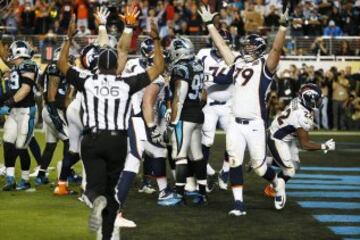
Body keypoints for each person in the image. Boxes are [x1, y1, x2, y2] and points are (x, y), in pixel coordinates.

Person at [57, 9, 164, 240]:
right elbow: (158, 69)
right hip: (117, 140)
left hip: (92, 138)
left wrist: (68, 38)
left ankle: (96, 202)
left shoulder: (87, 79)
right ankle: (107, 234)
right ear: (117, 65)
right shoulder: (125, 83)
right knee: (113, 193)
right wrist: (155, 40)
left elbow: (62, 64)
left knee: (93, 190)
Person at [198, 4, 288, 215]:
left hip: (255, 122)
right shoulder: (238, 63)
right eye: (246, 46)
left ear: (259, 49)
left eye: (250, 47)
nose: (246, 49)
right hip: (234, 121)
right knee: (235, 161)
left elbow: (276, 50)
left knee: (258, 167)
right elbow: (222, 47)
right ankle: (238, 204)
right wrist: (210, 25)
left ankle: (277, 181)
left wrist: (282, 28)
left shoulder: (265, 66)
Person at [264, 84, 335, 209]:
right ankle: (277, 190)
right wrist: (324, 146)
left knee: (295, 165)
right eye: (318, 99)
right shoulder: (302, 115)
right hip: (277, 138)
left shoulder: (298, 101)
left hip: (283, 134)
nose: (319, 101)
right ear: (309, 99)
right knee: (289, 170)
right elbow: (305, 145)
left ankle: (269, 171)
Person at [164, 36, 207, 205]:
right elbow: (204, 93)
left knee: (180, 155)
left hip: (185, 115)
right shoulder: (197, 64)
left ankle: (179, 195)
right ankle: (202, 194)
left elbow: (179, 97)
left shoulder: (180, 69)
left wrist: (173, 121)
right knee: (197, 155)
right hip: (197, 113)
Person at [196, 30, 236, 191]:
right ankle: (208, 173)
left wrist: (208, 77)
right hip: (209, 104)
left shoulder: (234, 56)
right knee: (206, 141)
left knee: (234, 141)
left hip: (229, 105)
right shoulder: (203, 54)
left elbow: (228, 79)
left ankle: (225, 172)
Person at [0, 40, 38, 191]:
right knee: (8, 142)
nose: (10, 53)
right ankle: (10, 177)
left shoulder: (29, 65)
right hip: (15, 111)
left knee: (21, 146)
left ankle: (25, 179)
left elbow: (26, 89)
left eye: (12, 51)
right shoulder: (16, 67)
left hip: (26, 111)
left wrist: (8, 103)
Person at [35, 47, 70, 186]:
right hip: (53, 110)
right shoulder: (55, 67)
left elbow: (39, 84)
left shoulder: (51, 67)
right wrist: (55, 113)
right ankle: (66, 174)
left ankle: (41, 175)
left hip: (50, 109)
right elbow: (51, 95)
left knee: (50, 146)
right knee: (69, 142)